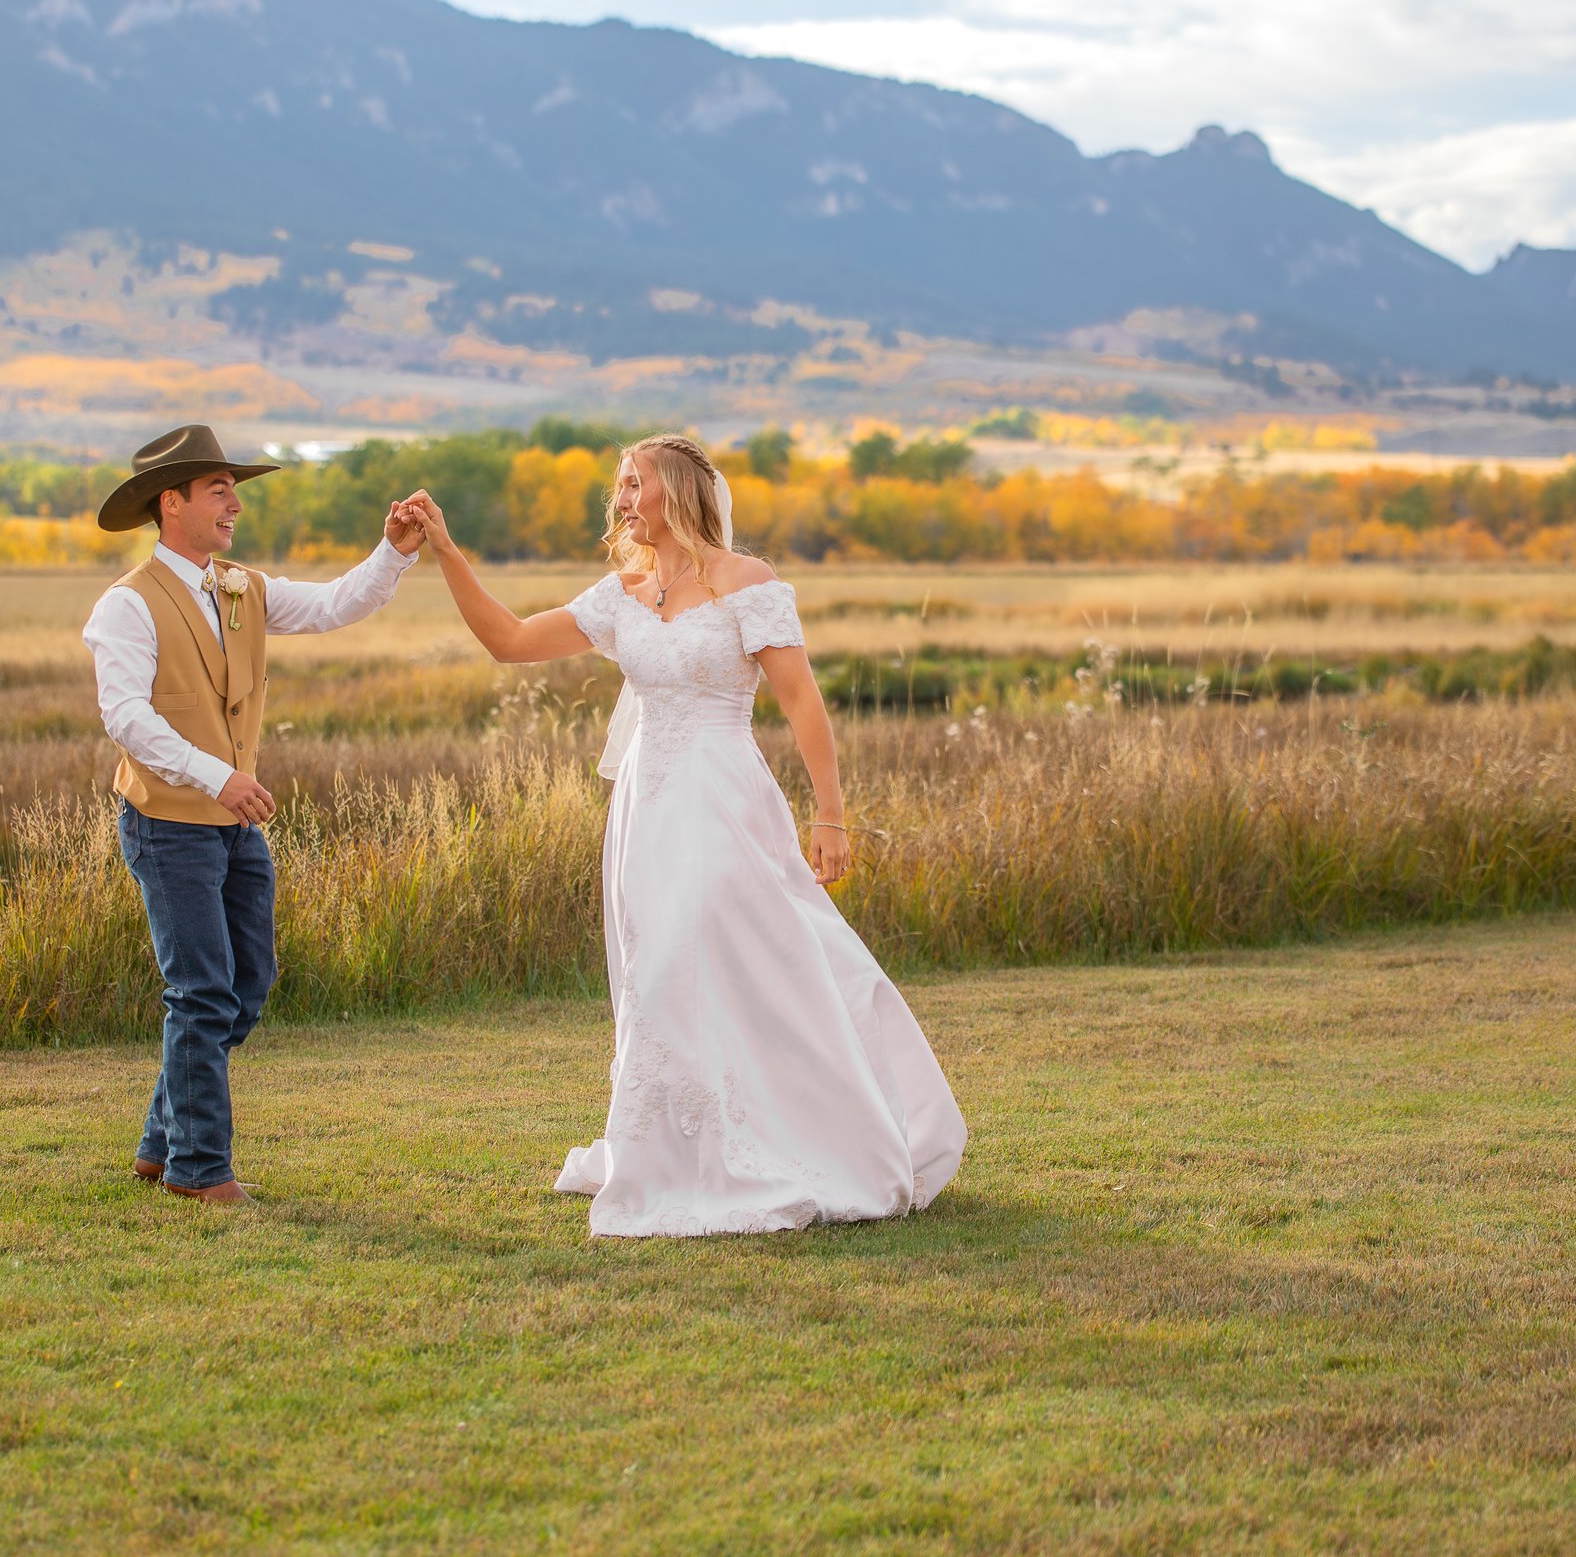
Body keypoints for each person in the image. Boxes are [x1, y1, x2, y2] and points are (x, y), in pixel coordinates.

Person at [396, 435, 966, 1237]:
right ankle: (675, 1145)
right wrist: (447, 552)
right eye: (620, 485)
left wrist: (829, 814)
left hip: (725, 801)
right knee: (657, 967)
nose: (623, 498)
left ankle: (791, 1134)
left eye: (637, 483)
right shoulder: (620, 595)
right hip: (646, 811)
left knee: (722, 958)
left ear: (681, 491)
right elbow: (511, 641)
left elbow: (802, 701)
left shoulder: (748, 584)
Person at [83, 423, 428, 1202]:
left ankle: (159, 1141)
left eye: (233, 489)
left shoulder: (242, 586)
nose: (235, 502)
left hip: (233, 824)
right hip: (168, 822)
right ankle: (198, 1171)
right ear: (172, 504)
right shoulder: (125, 606)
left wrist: (395, 549)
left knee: (248, 984)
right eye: (219, 490)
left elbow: (339, 604)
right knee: (201, 990)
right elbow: (127, 718)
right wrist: (220, 778)